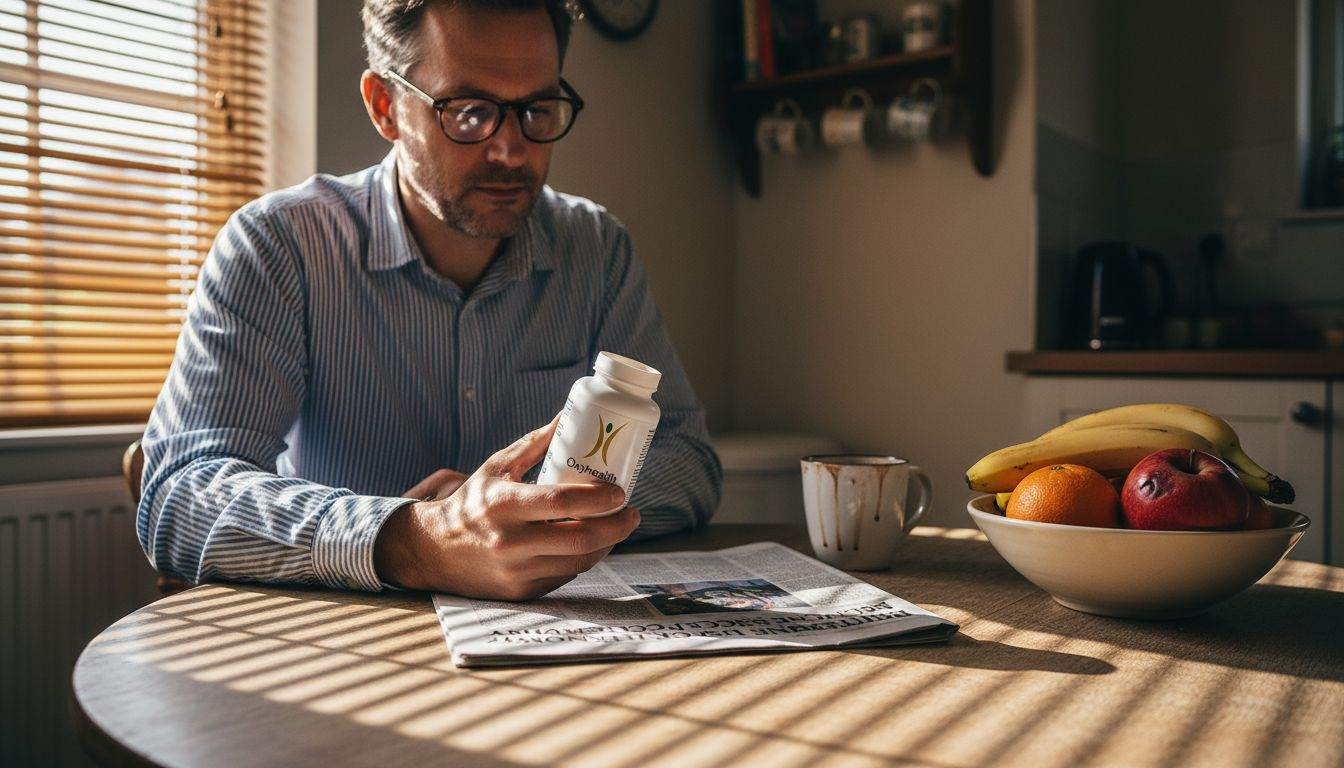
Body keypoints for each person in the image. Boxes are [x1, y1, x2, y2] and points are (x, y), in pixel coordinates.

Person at [137, 0, 721, 602]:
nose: (512, 151)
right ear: (384, 106)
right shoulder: (280, 245)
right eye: (469, 113)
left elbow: (688, 459)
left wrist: (526, 509)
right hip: (344, 647)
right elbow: (181, 492)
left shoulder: (595, 250)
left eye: (537, 109)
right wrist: (416, 538)